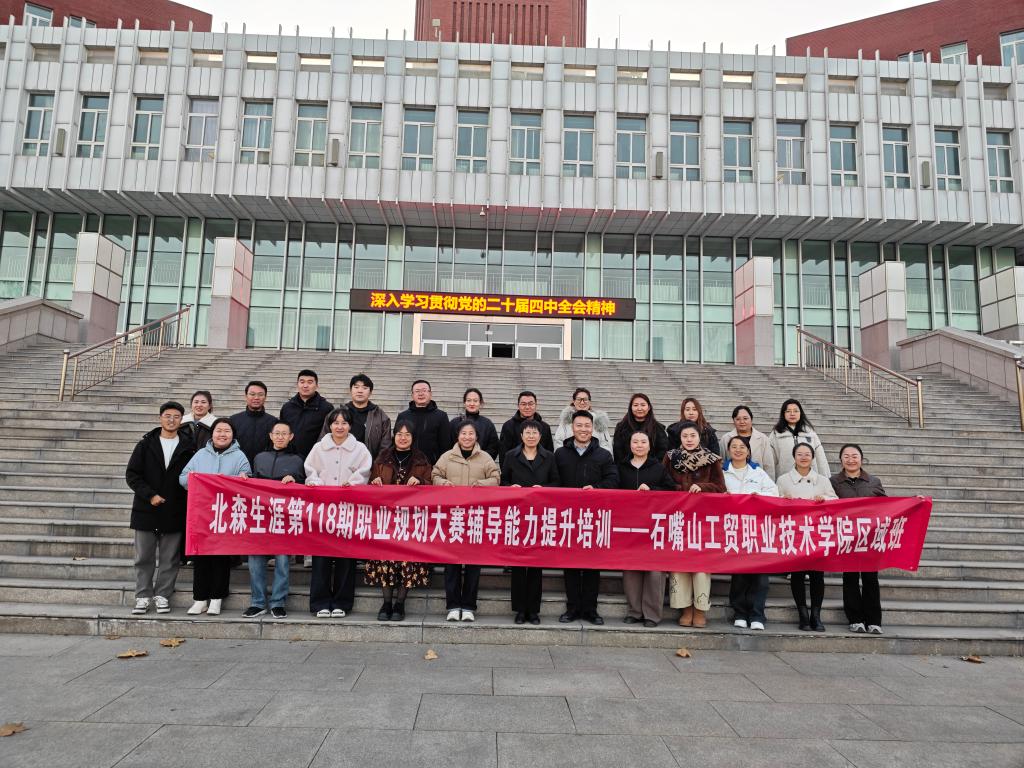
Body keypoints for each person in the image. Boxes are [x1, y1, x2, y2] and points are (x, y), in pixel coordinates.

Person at [125, 401, 195, 615]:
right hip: (146, 510)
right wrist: (150, 495)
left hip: (175, 509)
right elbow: (132, 475)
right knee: (143, 557)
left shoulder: (189, 447)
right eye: (167, 416)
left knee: (170, 558)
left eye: (176, 416)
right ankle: (143, 596)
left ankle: (163, 595)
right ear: (160, 418)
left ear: (182, 420)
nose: (171, 420)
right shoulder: (146, 444)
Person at [179, 418, 251, 616]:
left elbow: (247, 479)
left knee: (220, 557)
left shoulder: (239, 456)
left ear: (233, 435)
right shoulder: (201, 454)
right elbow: (183, 478)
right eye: (219, 430)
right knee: (201, 557)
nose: (222, 434)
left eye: (227, 431)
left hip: (225, 514)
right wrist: (197, 479)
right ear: (212, 434)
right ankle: (200, 598)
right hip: (202, 514)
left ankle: (217, 598)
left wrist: (243, 479)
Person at [304, 406, 372, 618]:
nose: (339, 427)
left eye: (344, 423)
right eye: (335, 423)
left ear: (350, 425)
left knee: (345, 557)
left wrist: (353, 483)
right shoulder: (319, 448)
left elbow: (364, 471)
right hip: (323, 510)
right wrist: (315, 482)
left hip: (348, 509)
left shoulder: (360, 449)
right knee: (321, 558)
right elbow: (310, 470)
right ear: (329, 425)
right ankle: (320, 603)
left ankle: (342, 602)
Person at [554, 411, 619, 625]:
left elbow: (613, 480)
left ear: (593, 428)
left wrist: (597, 488)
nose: (583, 429)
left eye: (587, 425)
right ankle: (572, 608)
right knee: (571, 565)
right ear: (572, 428)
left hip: (594, 518)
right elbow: (554, 481)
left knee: (592, 565)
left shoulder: (603, 455)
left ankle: (591, 610)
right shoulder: (560, 454)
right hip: (568, 517)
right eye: (579, 425)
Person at [365, 420, 434, 622]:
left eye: (407, 434)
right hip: (386, 519)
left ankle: (400, 603)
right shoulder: (382, 458)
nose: (403, 438)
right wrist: (374, 482)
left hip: (410, 521)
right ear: (394, 436)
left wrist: (420, 481)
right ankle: (386, 602)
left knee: (408, 558)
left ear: (413, 438)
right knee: (384, 556)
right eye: (399, 434)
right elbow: (370, 483)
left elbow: (432, 485)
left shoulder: (421, 460)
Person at [432, 422, 501, 622]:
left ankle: (469, 606)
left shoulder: (485, 457)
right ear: (458, 436)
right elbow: (435, 475)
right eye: (464, 433)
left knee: (473, 564)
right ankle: (453, 605)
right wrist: (443, 482)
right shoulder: (447, 456)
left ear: (476, 437)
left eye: (471, 433)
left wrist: (482, 484)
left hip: (475, 519)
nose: (467, 437)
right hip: (452, 518)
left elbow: (496, 478)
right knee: (451, 564)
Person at [663, 420, 725, 628]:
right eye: (685, 436)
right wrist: (680, 490)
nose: (689, 440)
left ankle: (700, 609)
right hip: (678, 518)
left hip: (702, 520)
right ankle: (685, 608)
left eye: (692, 436)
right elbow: (663, 483)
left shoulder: (711, 459)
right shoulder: (671, 457)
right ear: (679, 438)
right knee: (678, 564)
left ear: (700, 437)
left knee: (701, 566)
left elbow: (720, 486)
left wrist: (702, 486)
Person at [501, 419, 561, 625]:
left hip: (540, 516)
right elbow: (503, 481)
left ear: (541, 436)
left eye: (535, 433)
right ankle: (519, 609)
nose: (531, 436)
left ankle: (533, 610)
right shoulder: (511, 456)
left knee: (536, 564)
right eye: (528, 432)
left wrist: (544, 489)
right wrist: (511, 487)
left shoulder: (549, 457)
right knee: (518, 565)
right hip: (517, 515)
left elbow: (557, 482)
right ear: (521, 435)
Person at [244, 421, 306, 619]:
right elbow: (252, 482)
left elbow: (304, 486)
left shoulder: (298, 460)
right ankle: (258, 602)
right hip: (260, 515)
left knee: (282, 560)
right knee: (255, 560)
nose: (280, 437)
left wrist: (294, 480)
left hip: (283, 516)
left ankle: (278, 602)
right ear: (270, 436)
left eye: (284, 434)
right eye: (276, 433)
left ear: (291, 437)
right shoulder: (259, 457)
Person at [617, 431, 676, 627]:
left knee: (655, 570)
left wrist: (652, 491)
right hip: (629, 526)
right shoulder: (621, 467)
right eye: (635, 441)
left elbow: (671, 490)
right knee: (631, 569)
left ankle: (652, 614)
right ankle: (634, 611)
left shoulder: (658, 467)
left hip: (654, 527)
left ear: (650, 446)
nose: (639, 445)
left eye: (643, 442)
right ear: (630, 445)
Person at [722, 436, 779, 631]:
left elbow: (774, 493)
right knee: (740, 574)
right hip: (732, 529)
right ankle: (739, 613)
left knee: (760, 575)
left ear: (748, 451)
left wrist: (759, 497)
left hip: (756, 529)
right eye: (734, 447)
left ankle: (757, 615)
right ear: (728, 451)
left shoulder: (758, 472)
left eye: (742, 447)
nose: (738, 450)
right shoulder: (721, 472)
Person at [778, 442, 837, 632]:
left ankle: (816, 616)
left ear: (812, 457)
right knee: (797, 574)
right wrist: (783, 501)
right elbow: (774, 503)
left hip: (816, 533)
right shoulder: (783, 480)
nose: (803, 457)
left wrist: (823, 499)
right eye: (799, 454)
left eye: (807, 454)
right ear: (794, 457)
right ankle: (803, 614)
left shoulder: (822, 480)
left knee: (817, 575)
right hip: (794, 533)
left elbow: (835, 501)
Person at [830, 443, 887, 634]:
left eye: (854, 456)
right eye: (846, 456)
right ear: (841, 460)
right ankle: (855, 619)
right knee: (850, 578)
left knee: (871, 579)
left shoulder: (874, 482)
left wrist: (913, 501)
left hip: (869, 537)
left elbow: (888, 506)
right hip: (846, 537)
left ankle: (874, 621)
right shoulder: (833, 482)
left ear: (861, 459)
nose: (851, 460)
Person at [280, 369, 335, 460]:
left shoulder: (327, 408)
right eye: (302, 382)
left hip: (317, 457)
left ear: (316, 385)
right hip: (289, 457)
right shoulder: (287, 407)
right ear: (297, 384)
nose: (305, 385)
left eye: (310, 382)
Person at [768, 398, 829, 479]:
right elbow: (770, 461)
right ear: (783, 414)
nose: (792, 414)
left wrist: (826, 479)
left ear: (801, 413)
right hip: (786, 479)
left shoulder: (810, 432)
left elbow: (821, 459)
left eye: (796, 411)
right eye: (788, 411)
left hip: (811, 479)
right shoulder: (776, 434)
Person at [396, 379, 450, 464]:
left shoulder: (441, 416)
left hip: (432, 465)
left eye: (424, 391)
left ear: (430, 394)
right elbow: (397, 442)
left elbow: (445, 445)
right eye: (417, 391)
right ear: (412, 395)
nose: (421, 394)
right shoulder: (403, 416)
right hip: (407, 464)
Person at [343, 373, 392, 460]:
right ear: (350, 390)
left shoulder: (381, 416)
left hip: (370, 463)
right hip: (342, 462)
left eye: (365, 388)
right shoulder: (339, 413)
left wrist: (377, 464)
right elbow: (325, 438)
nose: (360, 391)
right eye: (356, 387)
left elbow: (386, 445)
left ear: (370, 392)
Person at [229, 381, 278, 465]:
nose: (256, 398)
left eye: (260, 394)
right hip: (238, 467)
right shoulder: (234, 420)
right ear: (245, 396)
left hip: (265, 467)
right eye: (252, 394)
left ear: (265, 397)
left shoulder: (274, 422)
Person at [718, 405, 775, 477]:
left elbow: (768, 465)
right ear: (733, 421)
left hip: (758, 480)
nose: (742, 422)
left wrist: (769, 481)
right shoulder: (726, 439)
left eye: (745, 418)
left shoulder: (763, 439)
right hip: (732, 478)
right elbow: (722, 462)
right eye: (738, 419)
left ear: (751, 419)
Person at [612, 393, 669, 464]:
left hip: (652, 467)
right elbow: (618, 451)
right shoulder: (621, 427)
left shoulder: (658, 428)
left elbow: (662, 450)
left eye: (643, 405)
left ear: (649, 407)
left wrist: (652, 466)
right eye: (635, 405)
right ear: (631, 407)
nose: (639, 408)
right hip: (626, 467)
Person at [498, 390, 555, 462]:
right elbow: (503, 453)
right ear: (518, 405)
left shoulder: (545, 427)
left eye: (530, 404)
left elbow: (549, 452)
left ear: (536, 405)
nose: (527, 407)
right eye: (523, 404)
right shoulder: (508, 426)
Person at [449, 388, 500, 460]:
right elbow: (447, 446)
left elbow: (493, 448)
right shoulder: (454, 423)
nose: (472, 404)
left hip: (481, 464)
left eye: (475, 401)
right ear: (464, 403)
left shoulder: (487, 424)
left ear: (480, 403)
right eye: (468, 400)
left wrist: (480, 460)